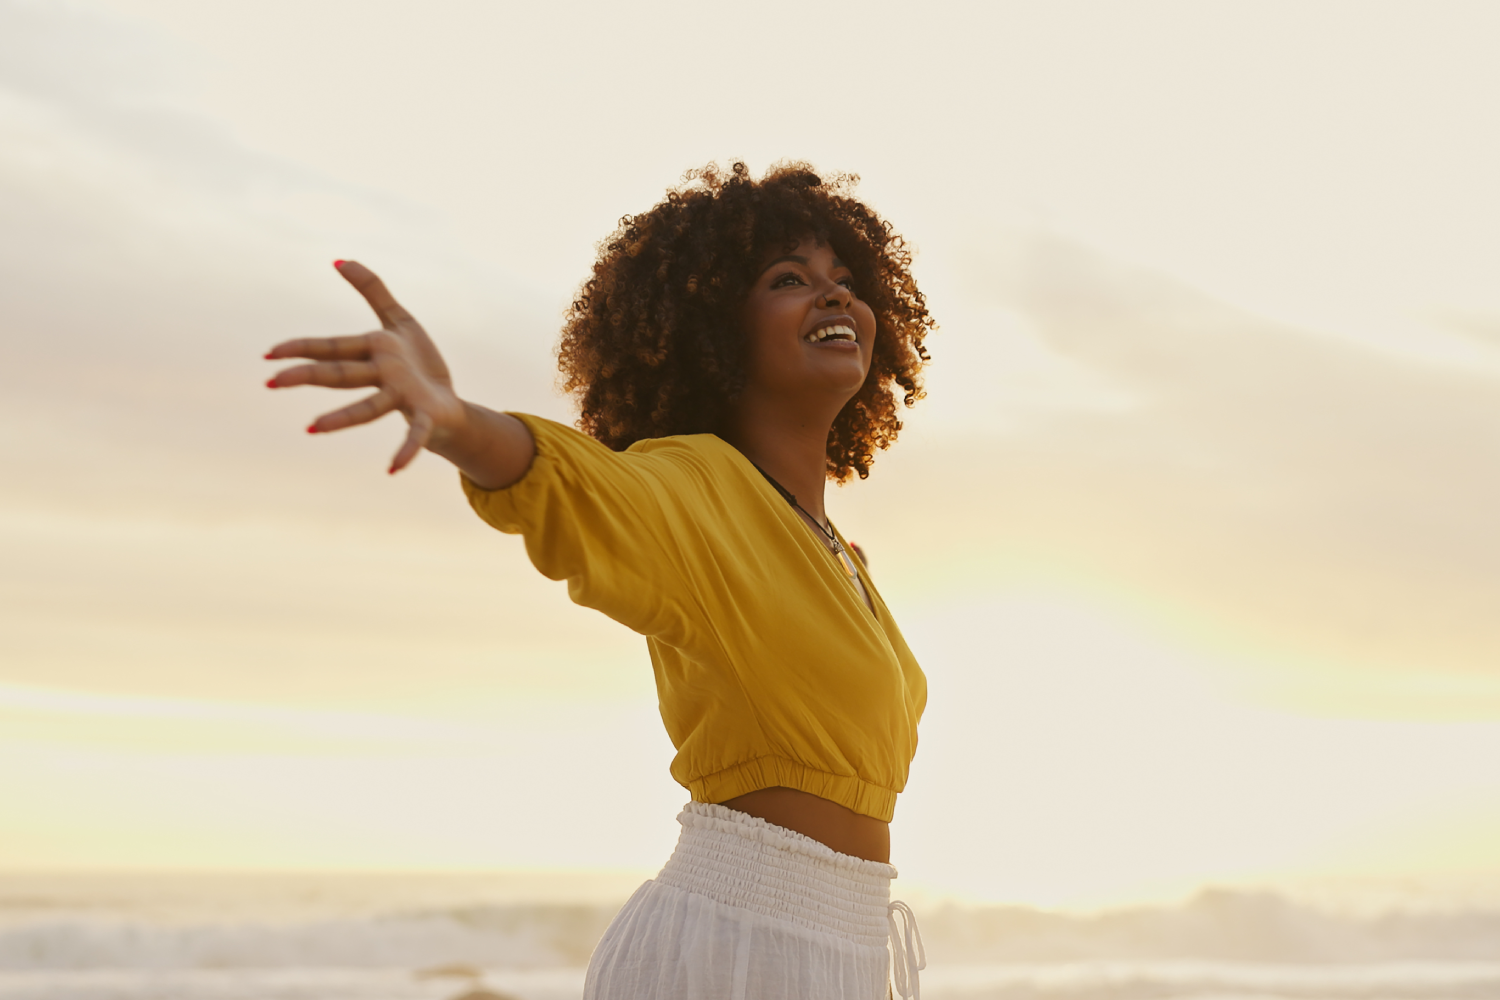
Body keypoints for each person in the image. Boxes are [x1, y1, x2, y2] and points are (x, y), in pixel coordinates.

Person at [264, 162, 935, 999]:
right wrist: (459, 419)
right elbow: (583, 491)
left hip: (836, 948)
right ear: (715, 334)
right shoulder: (693, 486)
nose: (834, 297)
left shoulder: (837, 553)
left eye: (845, 281)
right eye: (789, 280)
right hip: (737, 954)